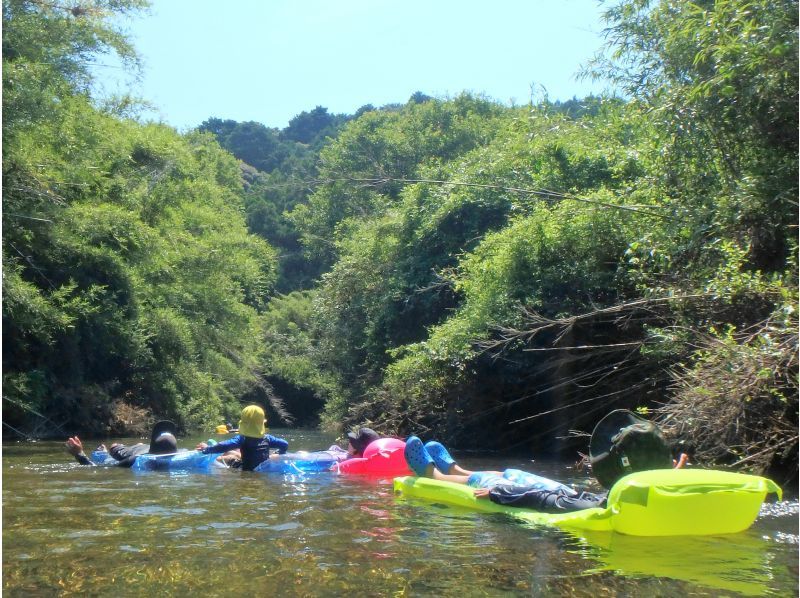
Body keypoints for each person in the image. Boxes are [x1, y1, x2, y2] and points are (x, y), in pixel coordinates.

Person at [404, 409, 689, 513]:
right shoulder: (653, 490)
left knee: (496, 480)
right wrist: (672, 474)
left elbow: (544, 500)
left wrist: (500, 493)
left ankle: (434, 475)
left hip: (561, 497)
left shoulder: (597, 506)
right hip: (570, 492)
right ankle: (456, 468)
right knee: (510, 471)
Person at [196, 405, 288, 471]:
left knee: (231, 456)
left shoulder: (242, 439)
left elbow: (224, 446)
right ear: (261, 423)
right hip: (261, 467)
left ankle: (216, 457)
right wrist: (279, 452)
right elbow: (284, 444)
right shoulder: (267, 438)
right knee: (235, 451)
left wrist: (206, 450)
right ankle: (218, 450)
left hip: (246, 468)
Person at [66, 420, 179, 468]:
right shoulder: (136, 460)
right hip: (140, 451)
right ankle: (105, 452)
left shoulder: (185, 454)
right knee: (115, 447)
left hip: (140, 449)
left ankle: (104, 452)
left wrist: (79, 454)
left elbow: (98, 468)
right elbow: (103, 468)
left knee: (114, 446)